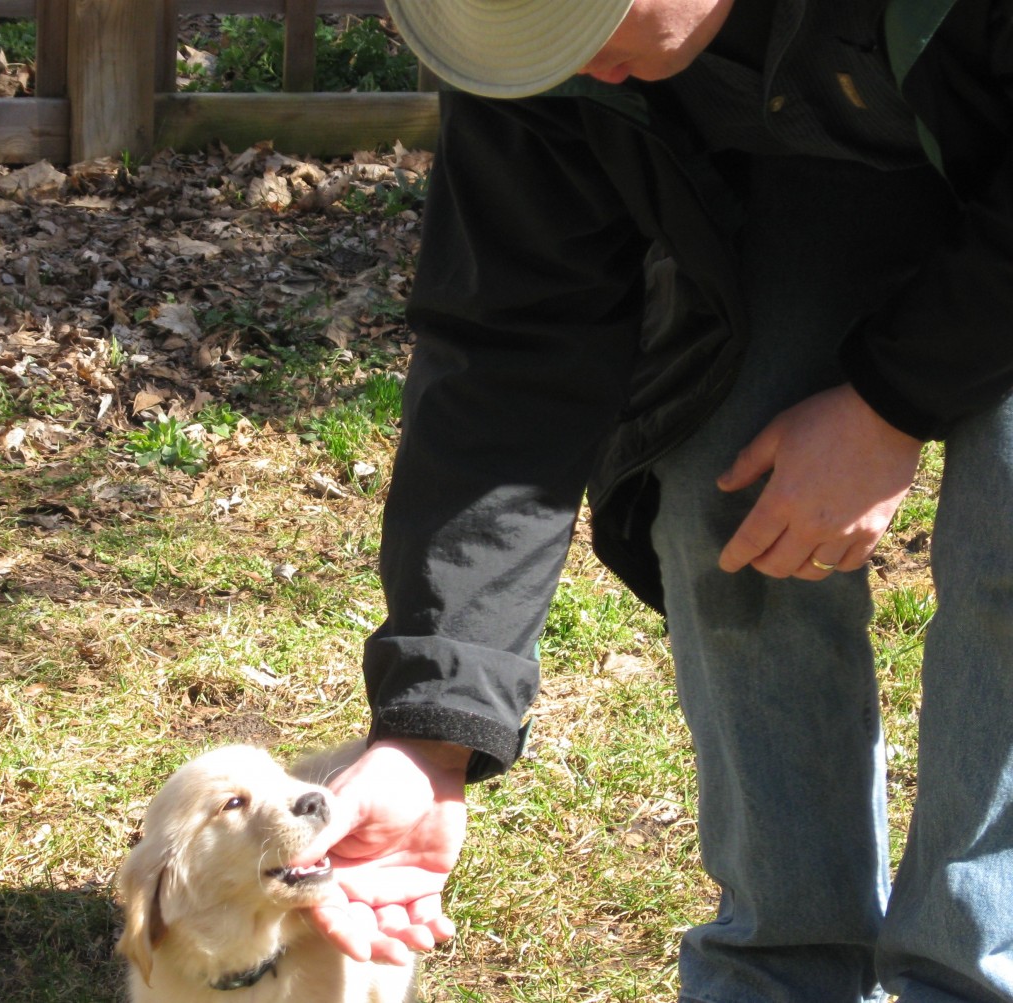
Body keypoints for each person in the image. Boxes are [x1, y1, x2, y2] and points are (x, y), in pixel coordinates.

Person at [308, 1, 1013, 999]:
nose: (573, 64)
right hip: (822, 174)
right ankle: (781, 964)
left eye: (582, 29)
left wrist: (889, 404)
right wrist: (428, 739)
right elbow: (512, 350)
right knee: (725, 479)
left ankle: (978, 972)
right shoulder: (525, 33)